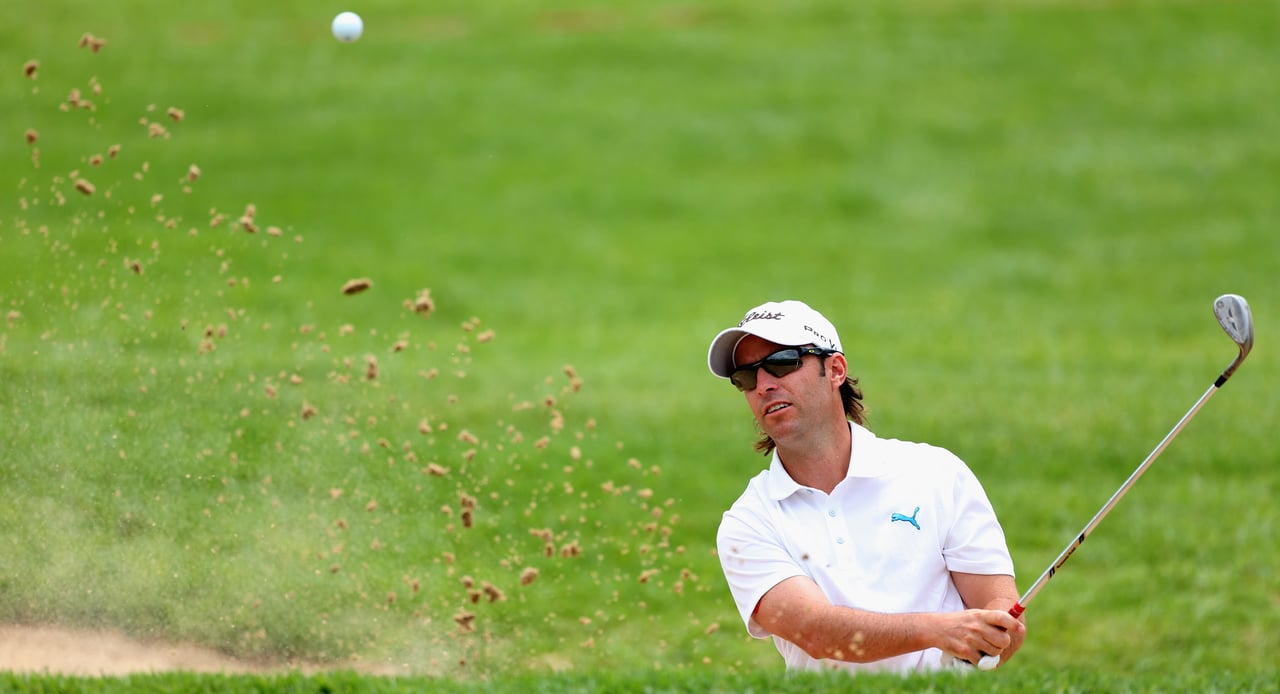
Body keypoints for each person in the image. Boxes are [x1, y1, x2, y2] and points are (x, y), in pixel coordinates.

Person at [707, 299, 1026, 674]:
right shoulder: (748, 522)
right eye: (745, 377)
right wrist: (939, 630)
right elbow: (815, 631)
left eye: (782, 363)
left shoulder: (937, 473)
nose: (763, 385)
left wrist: (996, 631)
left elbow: (999, 607)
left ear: (836, 369)